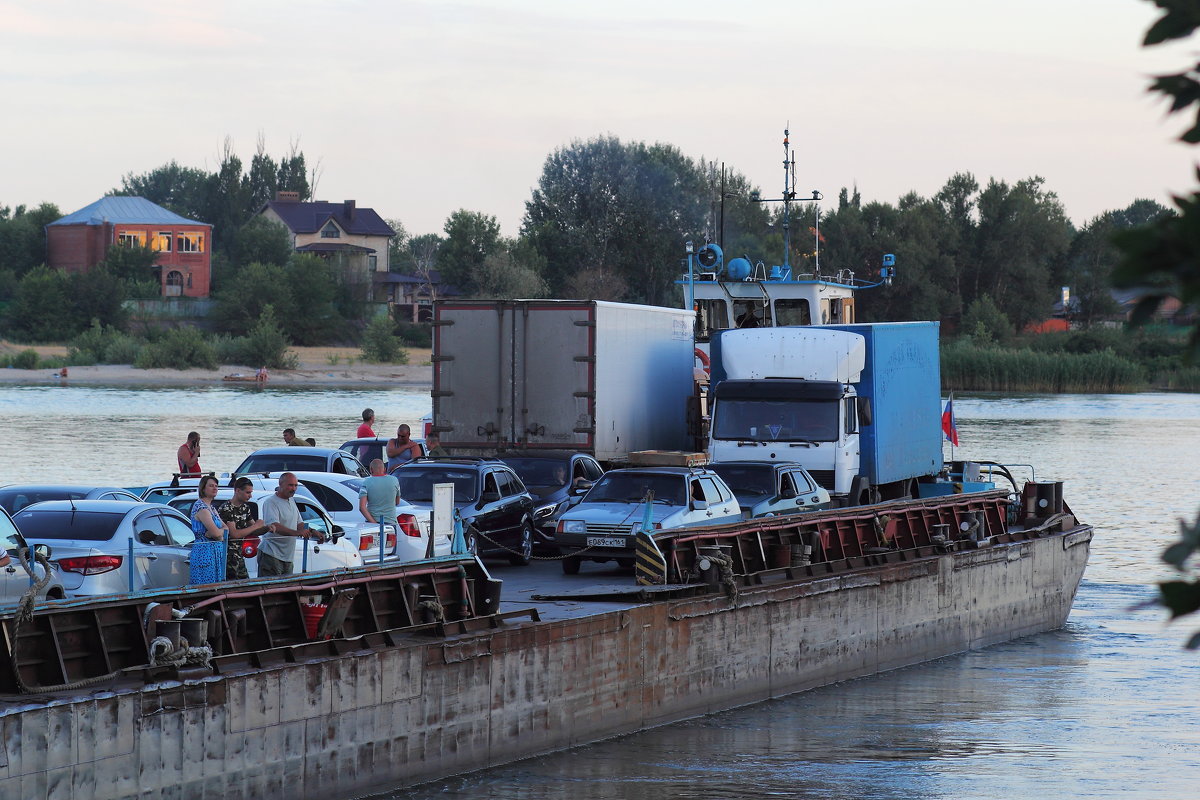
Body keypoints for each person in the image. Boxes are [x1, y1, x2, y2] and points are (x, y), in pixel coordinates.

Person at [259, 472, 317, 577]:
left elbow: (299, 523)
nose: (294, 488)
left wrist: (313, 531)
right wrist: (297, 533)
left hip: (288, 557)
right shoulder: (271, 502)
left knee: (287, 590)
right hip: (272, 555)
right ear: (280, 485)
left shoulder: (291, 500)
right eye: (290, 485)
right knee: (271, 590)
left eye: (295, 485)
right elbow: (275, 526)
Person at [217, 476, 272, 580]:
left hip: (239, 554)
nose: (250, 496)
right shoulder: (226, 508)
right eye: (247, 492)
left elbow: (254, 530)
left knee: (245, 583)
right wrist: (256, 525)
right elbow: (234, 534)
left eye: (251, 492)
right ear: (238, 491)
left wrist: (267, 528)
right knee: (231, 585)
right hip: (227, 556)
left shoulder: (245, 508)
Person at [189, 475, 230, 585]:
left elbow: (226, 529)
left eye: (216, 486)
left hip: (216, 553)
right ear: (203, 488)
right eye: (211, 486)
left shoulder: (212, 508)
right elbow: (217, 534)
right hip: (204, 553)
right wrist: (218, 534)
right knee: (206, 587)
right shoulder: (201, 507)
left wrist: (218, 533)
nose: (215, 488)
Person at [358, 459, 402, 528]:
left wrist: (374, 523)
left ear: (371, 469)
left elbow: (362, 507)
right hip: (390, 522)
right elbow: (397, 502)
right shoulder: (395, 480)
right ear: (384, 469)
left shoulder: (366, 482)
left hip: (371, 524)